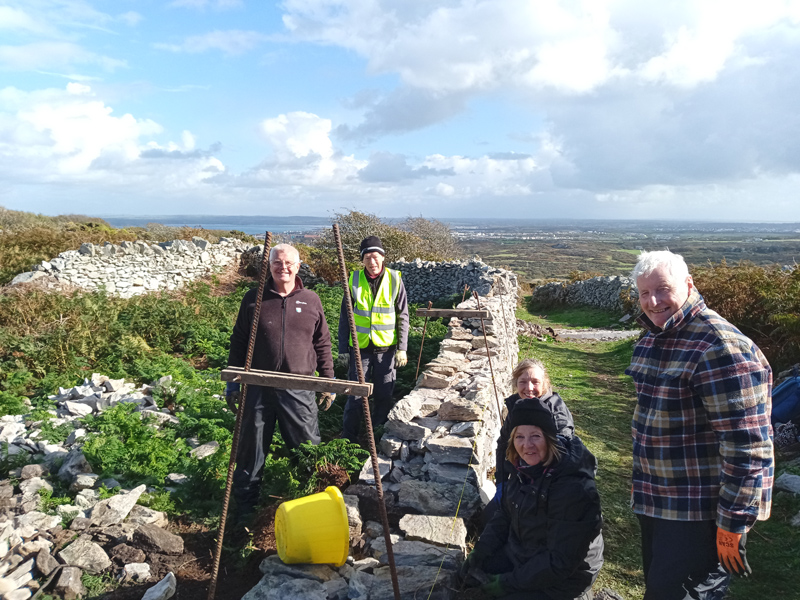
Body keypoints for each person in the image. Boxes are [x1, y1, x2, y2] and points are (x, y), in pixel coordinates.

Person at [625, 250, 774, 599]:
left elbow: (748, 445)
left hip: (699, 513)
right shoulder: (652, 339)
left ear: (689, 284)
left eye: (663, 289)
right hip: (657, 503)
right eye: (645, 293)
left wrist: (733, 523)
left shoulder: (720, 348)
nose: (654, 301)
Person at [225, 243, 335, 520]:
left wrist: (328, 381)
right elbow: (239, 341)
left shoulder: (311, 300)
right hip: (257, 387)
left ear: (298, 266)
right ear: (269, 266)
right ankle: (245, 515)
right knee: (251, 451)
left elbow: (322, 343)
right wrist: (233, 383)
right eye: (277, 262)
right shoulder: (253, 298)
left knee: (307, 449)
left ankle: (313, 508)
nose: (283, 267)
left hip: (299, 387)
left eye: (288, 263)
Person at [461, 404, 604, 600]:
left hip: (567, 575)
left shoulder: (573, 488)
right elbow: (505, 514)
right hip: (526, 552)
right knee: (474, 574)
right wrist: (481, 550)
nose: (527, 445)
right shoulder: (522, 469)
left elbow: (561, 561)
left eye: (535, 436)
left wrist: (507, 583)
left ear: (549, 438)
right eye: (520, 437)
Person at [339, 236, 409, 442]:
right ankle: (349, 439)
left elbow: (403, 315)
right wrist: (343, 349)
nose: (372, 262)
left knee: (384, 394)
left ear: (383, 257)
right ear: (362, 260)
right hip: (360, 350)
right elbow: (345, 317)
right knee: (355, 395)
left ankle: (378, 436)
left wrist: (402, 348)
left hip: (387, 350)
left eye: (376, 256)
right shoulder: (353, 280)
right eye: (368, 257)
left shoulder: (395, 279)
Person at [495, 358, 575, 487]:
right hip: (520, 476)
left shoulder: (556, 411)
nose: (529, 388)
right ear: (516, 384)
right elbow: (503, 442)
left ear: (545, 384)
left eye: (535, 382)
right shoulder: (516, 406)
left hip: (550, 481)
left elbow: (564, 449)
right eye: (523, 382)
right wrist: (501, 480)